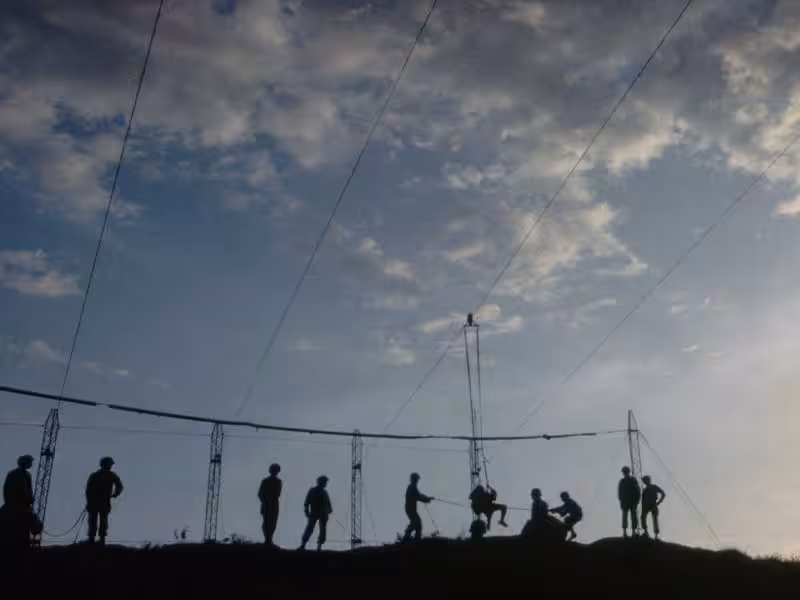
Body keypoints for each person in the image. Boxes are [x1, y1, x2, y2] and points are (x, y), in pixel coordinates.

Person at [85, 457, 123, 545]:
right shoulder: (111, 475)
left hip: (95, 502)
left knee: (94, 521)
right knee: (102, 521)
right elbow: (120, 487)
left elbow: (88, 490)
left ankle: (93, 539)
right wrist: (115, 494)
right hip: (102, 502)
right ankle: (100, 540)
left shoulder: (95, 475)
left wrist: (89, 501)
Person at [1, 455, 36, 549]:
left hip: (10, 505)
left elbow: (5, 490)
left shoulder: (13, 474)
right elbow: (26, 492)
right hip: (19, 506)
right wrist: (30, 500)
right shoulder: (24, 475)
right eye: (30, 462)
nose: (31, 464)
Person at [300, 475, 332, 551]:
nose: (325, 483)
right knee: (310, 528)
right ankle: (303, 544)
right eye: (324, 482)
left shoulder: (325, 492)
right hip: (314, 512)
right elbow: (307, 502)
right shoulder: (313, 490)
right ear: (319, 482)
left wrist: (328, 511)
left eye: (325, 482)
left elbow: (328, 504)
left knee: (322, 530)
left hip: (323, 514)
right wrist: (306, 511)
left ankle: (319, 546)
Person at [403, 472, 433, 541]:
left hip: (412, 509)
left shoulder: (413, 487)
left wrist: (428, 498)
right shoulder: (411, 487)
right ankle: (407, 535)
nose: (417, 481)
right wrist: (427, 499)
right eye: (416, 480)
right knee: (415, 521)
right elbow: (418, 496)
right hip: (410, 509)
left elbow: (419, 495)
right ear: (414, 480)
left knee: (418, 523)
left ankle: (417, 537)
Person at [257, 463, 282, 545]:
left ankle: (269, 539)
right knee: (266, 524)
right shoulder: (265, 481)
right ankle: (267, 539)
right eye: (274, 470)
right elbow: (260, 494)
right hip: (266, 504)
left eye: (277, 470)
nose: (275, 471)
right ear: (270, 470)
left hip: (274, 505)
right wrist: (265, 503)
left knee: (273, 523)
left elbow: (278, 494)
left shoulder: (279, 481)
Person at [640, 475, 666, 539]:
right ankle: (646, 532)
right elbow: (643, 501)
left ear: (648, 480)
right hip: (646, 505)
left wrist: (659, 502)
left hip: (653, 504)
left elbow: (663, 493)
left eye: (645, 480)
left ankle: (656, 535)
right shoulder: (645, 490)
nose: (644, 482)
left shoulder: (653, 487)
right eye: (643, 481)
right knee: (643, 517)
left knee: (654, 519)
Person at [618, 466, 641, 538]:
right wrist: (621, 501)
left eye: (625, 471)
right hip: (626, 501)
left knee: (633, 517)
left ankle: (633, 532)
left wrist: (637, 500)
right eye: (624, 472)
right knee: (625, 516)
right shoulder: (622, 481)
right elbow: (620, 492)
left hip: (632, 501)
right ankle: (625, 532)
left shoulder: (632, 479)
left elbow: (637, 490)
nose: (624, 473)